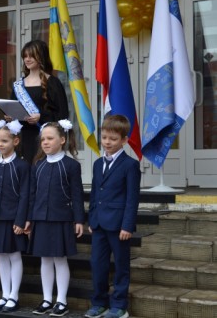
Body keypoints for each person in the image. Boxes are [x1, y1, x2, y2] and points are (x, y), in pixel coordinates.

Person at [85, 115, 141, 318]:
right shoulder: (98, 163)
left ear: (124, 140)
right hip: (99, 224)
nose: (107, 142)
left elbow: (132, 198)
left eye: (113, 139)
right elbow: (94, 193)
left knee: (121, 266)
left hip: (119, 226)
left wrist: (127, 226)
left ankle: (119, 305)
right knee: (97, 265)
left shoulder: (130, 165)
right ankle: (99, 302)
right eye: (105, 137)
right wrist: (92, 218)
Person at [28, 120, 85, 316]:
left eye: (50, 138)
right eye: (43, 139)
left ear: (62, 140)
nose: (45, 142)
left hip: (61, 219)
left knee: (60, 260)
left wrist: (79, 220)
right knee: (45, 260)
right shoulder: (38, 165)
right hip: (40, 219)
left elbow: (77, 195)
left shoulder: (71, 166)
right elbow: (32, 195)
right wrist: (29, 219)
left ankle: (61, 301)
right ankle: (46, 299)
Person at [0, 119, 30, 313]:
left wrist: (20, 220)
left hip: (12, 218)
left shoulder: (22, 166)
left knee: (14, 255)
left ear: (15, 142)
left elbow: (25, 195)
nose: (0, 144)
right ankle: (5, 294)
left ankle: (14, 295)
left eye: (5, 141)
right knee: (2, 256)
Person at [8, 40, 69, 163]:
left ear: (41, 56)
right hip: (23, 138)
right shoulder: (19, 85)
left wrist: (40, 116)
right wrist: (10, 117)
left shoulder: (53, 83)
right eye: (25, 56)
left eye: (31, 56)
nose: (27, 59)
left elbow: (62, 115)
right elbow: (14, 107)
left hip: (44, 138)